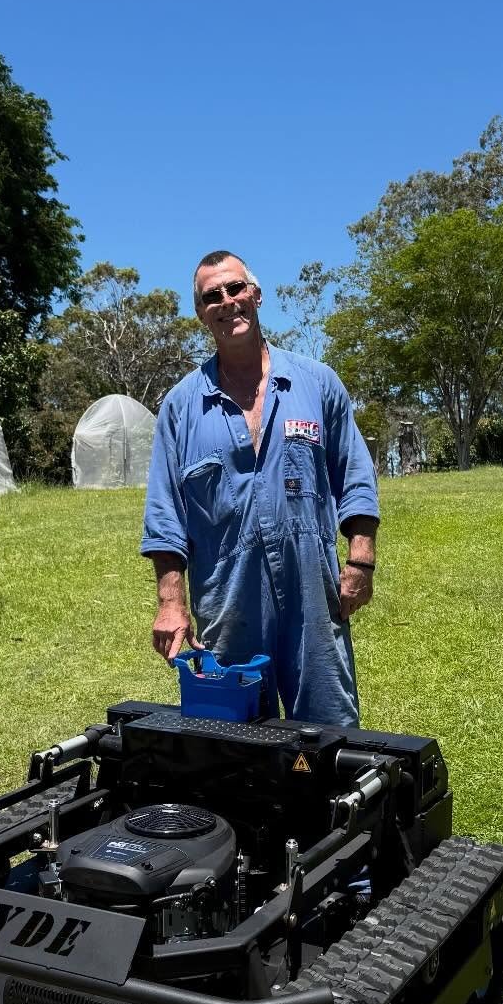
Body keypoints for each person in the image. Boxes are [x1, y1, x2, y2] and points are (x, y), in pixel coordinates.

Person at [140, 250, 379, 728]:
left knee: (327, 731)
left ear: (256, 294)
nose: (227, 302)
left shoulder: (317, 384)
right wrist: (171, 603)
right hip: (227, 596)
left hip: (312, 587)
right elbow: (165, 514)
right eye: (213, 296)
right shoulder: (182, 406)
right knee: (232, 735)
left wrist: (361, 558)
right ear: (201, 313)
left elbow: (353, 475)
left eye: (236, 289)